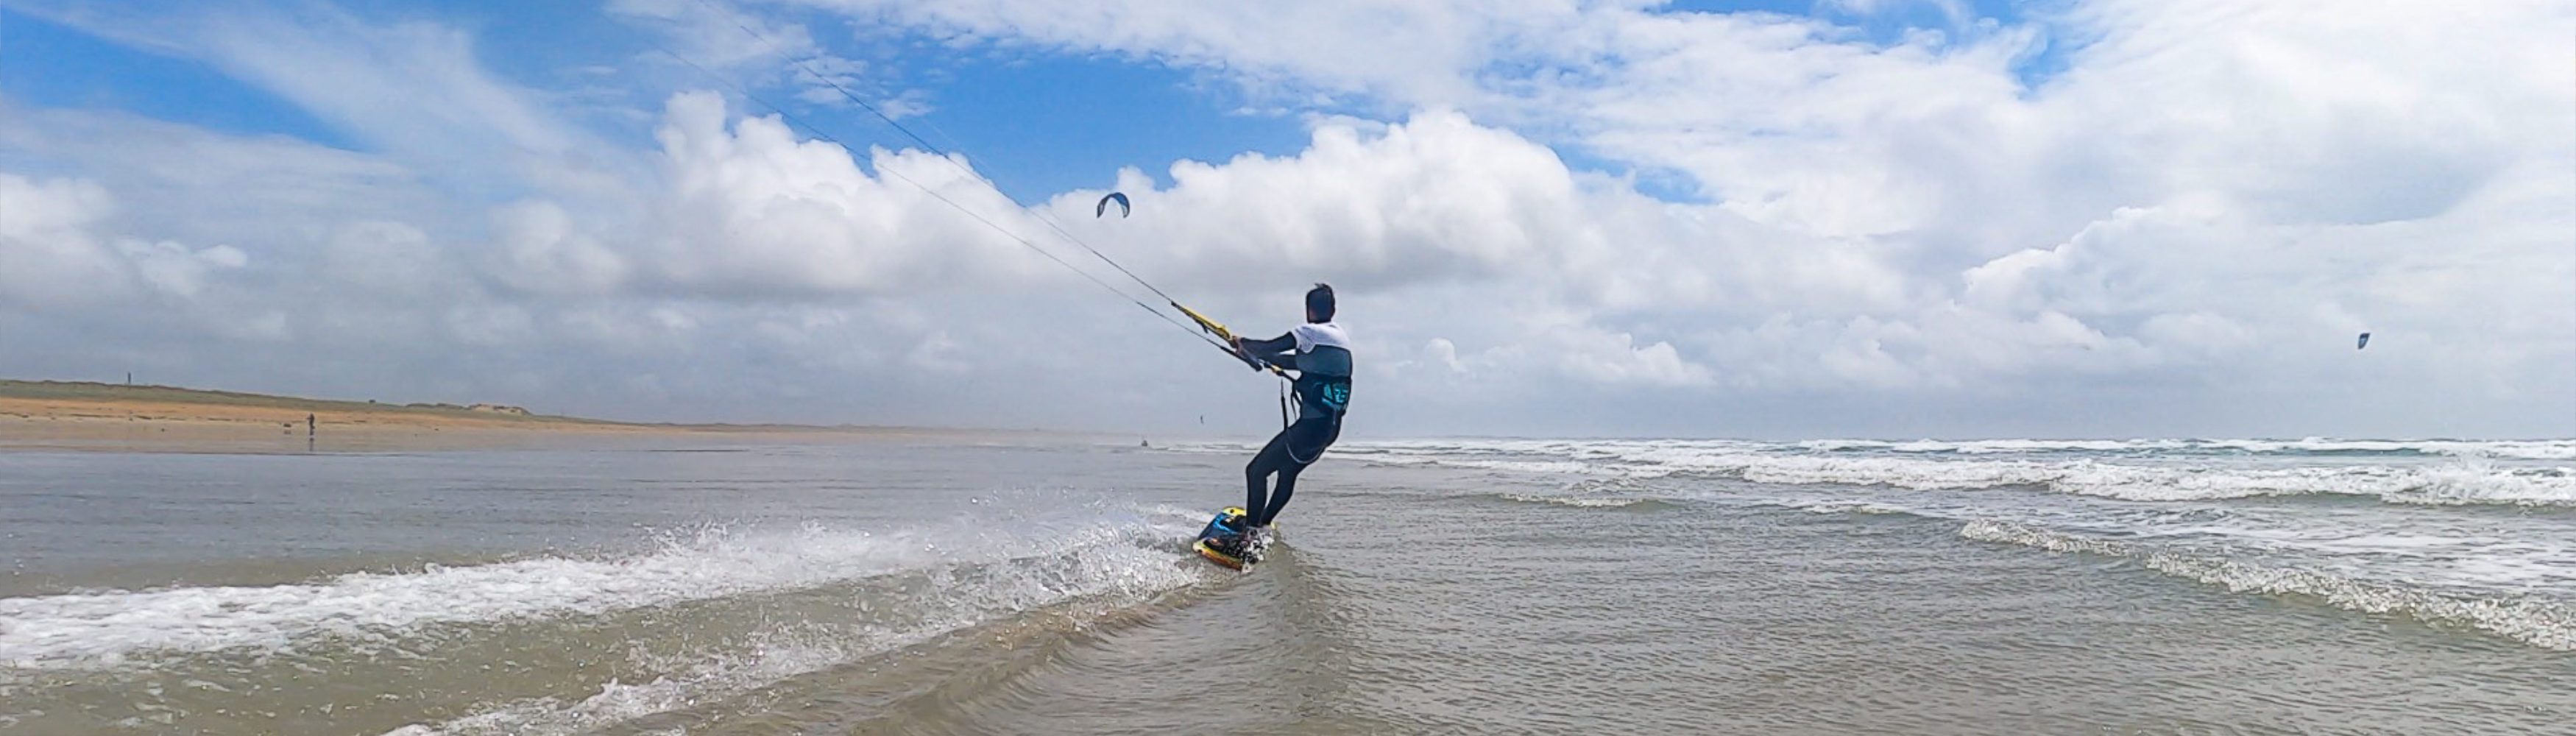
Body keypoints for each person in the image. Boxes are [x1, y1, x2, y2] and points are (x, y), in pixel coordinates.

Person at [1215, 283, 1351, 548]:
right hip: (1329, 430)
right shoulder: (1339, 340)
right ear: (1333, 310)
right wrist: (1251, 353)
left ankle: (1249, 537)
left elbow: (1272, 347)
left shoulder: (1310, 332)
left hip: (1310, 429)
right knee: (1287, 473)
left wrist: (1244, 344)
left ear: (1309, 310)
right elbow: (1290, 361)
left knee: (1256, 471)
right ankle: (1262, 523)